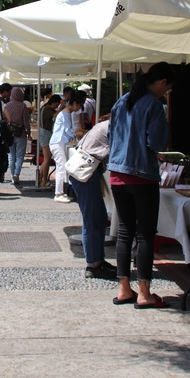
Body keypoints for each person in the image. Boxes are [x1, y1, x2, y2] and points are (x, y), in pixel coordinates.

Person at [108, 61, 175, 309]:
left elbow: (111, 136)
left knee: (124, 232)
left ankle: (124, 289)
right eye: (166, 90)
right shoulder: (154, 106)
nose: (164, 94)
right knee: (145, 234)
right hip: (142, 175)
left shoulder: (122, 101)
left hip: (117, 174)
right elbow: (156, 143)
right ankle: (145, 293)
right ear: (161, 82)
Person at [69, 117, 117, 279]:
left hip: (86, 172)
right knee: (93, 219)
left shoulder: (106, 125)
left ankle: (98, 260)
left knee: (99, 217)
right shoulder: (113, 127)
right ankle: (93, 264)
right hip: (86, 173)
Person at [50, 90, 86, 202]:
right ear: (75, 103)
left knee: (62, 167)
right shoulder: (66, 113)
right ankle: (58, 193)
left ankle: (61, 192)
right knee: (61, 167)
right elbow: (68, 131)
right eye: (79, 106)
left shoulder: (66, 113)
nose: (79, 109)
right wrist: (79, 133)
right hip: (58, 142)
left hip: (59, 142)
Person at [4, 86, 31, 185]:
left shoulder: (6, 106)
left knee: (11, 156)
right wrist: (29, 133)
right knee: (20, 156)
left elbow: (4, 120)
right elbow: (26, 121)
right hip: (21, 134)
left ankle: (12, 176)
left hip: (10, 134)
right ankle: (16, 174)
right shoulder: (22, 106)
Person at [39, 93, 60, 187]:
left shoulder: (45, 108)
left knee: (46, 159)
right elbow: (56, 114)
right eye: (57, 104)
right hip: (46, 133)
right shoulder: (47, 109)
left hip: (44, 133)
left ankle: (41, 177)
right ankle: (44, 179)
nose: (58, 106)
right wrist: (62, 105)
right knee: (47, 159)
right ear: (54, 102)